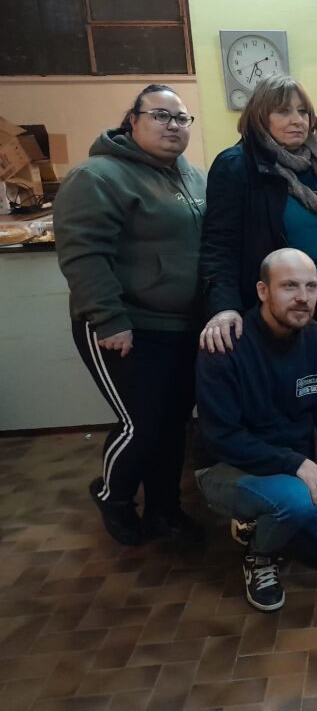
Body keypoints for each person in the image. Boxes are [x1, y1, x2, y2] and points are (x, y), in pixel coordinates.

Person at [198, 75, 317, 512]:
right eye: (284, 111)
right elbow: (219, 243)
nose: (297, 120)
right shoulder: (238, 165)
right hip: (270, 304)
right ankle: (288, 483)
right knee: (280, 399)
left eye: (303, 111)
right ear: (260, 115)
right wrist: (224, 306)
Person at [54, 84, 207, 546]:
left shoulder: (194, 176)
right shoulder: (98, 177)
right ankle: (113, 495)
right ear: (132, 120)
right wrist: (108, 318)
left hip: (180, 326)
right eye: (161, 116)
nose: (173, 126)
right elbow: (83, 255)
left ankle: (164, 509)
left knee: (172, 422)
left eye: (181, 119)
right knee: (140, 423)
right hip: (124, 325)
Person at [195, 249, 317, 612]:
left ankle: (266, 520)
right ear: (262, 290)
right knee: (296, 499)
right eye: (289, 286)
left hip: (290, 473)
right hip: (226, 470)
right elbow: (221, 437)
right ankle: (260, 555)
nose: (302, 297)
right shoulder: (225, 345)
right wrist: (298, 465)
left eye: (311, 287)